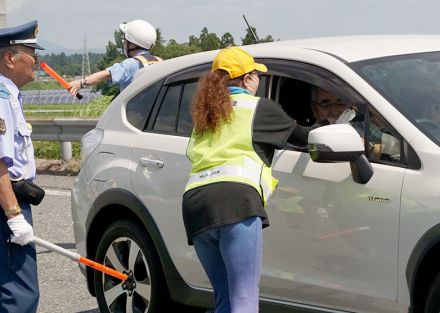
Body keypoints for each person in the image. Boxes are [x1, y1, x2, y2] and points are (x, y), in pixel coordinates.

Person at [182, 47, 325, 313]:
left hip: (195, 206)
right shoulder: (258, 107)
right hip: (236, 203)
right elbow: (304, 137)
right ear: (247, 79)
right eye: (256, 75)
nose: (259, 81)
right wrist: (334, 125)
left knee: (225, 298)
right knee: (244, 298)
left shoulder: (206, 114)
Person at [0, 20, 45, 313]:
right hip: (6, 204)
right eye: (30, 52)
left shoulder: (10, 97)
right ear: (9, 58)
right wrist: (14, 214)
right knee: (19, 296)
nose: (37, 60)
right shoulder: (2, 99)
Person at [69, 19, 161, 95]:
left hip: (133, 115)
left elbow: (106, 74)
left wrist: (80, 83)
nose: (124, 43)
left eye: (125, 40)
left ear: (132, 44)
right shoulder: (160, 62)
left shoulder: (131, 64)